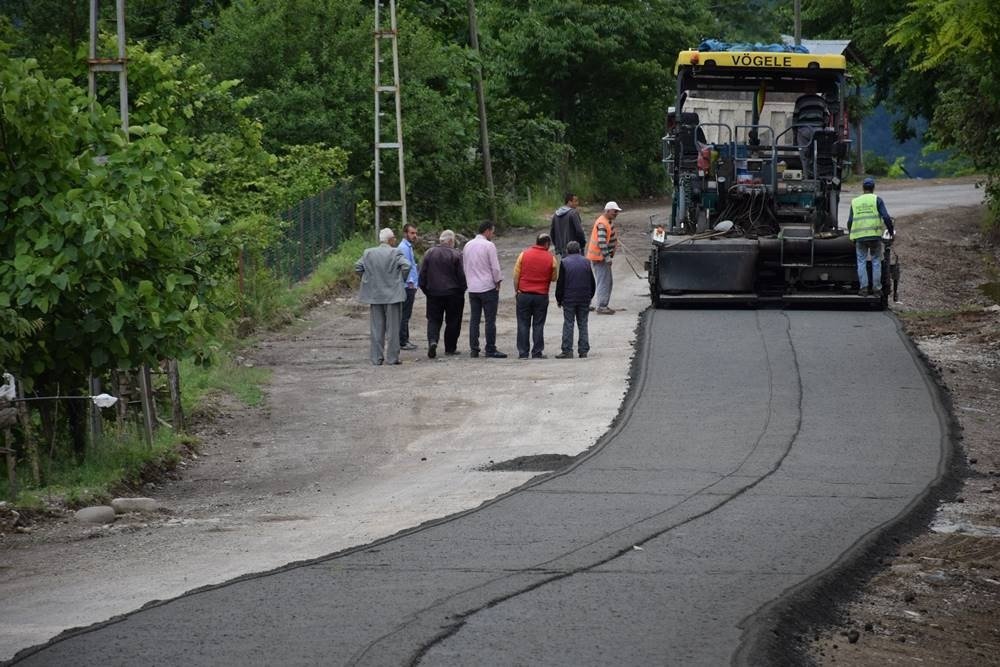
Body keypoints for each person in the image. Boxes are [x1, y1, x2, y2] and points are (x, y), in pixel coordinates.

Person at [354, 227, 410, 366]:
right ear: (390, 240)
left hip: (375, 295)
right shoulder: (395, 252)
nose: (395, 240)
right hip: (393, 296)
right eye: (394, 238)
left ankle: (376, 358)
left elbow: (358, 267)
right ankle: (392, 358)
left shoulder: (369, 253)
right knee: (393, 329)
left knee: (376, 328)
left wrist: (369, 280)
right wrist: (399, 280)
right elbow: (407, 266)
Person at [463, 220, 507, 358]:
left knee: (474, 319)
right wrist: (497, 281)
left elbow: (465, 265)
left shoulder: (467, 245)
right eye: (492, 232)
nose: (492, 234)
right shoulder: (489, 246)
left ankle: (474, 348)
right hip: (487, 287)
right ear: (487, 231)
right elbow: (495, 267)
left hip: (473, 288)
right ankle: (490, 348)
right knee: (490, 320)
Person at [419, 230, 466, 358]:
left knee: (433, 319)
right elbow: (462, 275)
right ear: (450, 241)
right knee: (453, 321)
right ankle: (450, 348)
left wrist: (426, 290)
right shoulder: (456, 254)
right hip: (453, 293)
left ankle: (433, 341)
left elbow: (422, 274)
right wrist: (462, 289)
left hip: (433, 293)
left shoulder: (429, 253)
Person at [847, 177, 895, 296]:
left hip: (860, 237)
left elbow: (850, 221)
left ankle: (863, 289)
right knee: (876, 261)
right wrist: (891, 232)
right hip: (874, 236)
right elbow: (886, 217)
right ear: (873, 188)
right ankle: (877, 289)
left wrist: (851, 234)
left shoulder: (855, 201)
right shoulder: (877, 200)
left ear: (863, 188)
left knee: (861, 261)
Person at [514, 232, 558, 359]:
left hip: (524, 294)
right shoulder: (551, 258)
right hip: (541, 296)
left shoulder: (523, 255)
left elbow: (516, 276)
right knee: (538, 324)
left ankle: (523, 352)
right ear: (547, 244)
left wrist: (517, 291)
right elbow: (554, 278)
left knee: (523, 323)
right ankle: (537, 352)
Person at [554, 241, 596, 359]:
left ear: (567, 251)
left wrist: (559, 299)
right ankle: (583, 351)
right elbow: (592, 282)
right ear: (579, 250)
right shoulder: (586, 262)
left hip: (569, 299)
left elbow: (560, 283)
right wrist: (590, 296)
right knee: (583, 324)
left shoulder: (564, 262)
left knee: (569, 323)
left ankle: (567, 350)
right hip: (584, 298)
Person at [586, 201, 621, 314]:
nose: (616, 213)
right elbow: (601, 242)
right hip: (600, 258)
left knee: (607, 281)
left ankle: (603, 304)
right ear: (608, 211)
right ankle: (601, 306)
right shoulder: (602, 223)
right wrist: (607, 258)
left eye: (617, 212)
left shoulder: (607, 221)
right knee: (604, 282)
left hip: (600, 258)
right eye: (615, 211)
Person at [397, 223, 419, 351]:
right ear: (405, 233)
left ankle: (405, 339)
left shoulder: (408, 246)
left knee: (406, 314)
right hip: (407, 285)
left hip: (410, 285)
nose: (415, 235)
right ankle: (403, 341)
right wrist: (410, 282)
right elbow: (406, 266)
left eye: (415, 233)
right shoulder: (404, 248)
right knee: (405, 314)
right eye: (412, 233)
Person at [549, 193, 586, 258]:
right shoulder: (573, 213)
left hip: (562, 250)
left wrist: (557, 246)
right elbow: (579, 231)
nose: (577, 203)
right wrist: (582, 244)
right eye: (576, 201)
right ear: (569, 202)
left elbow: (552, 233)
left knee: (565, 267)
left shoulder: (556, 215)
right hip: (574, 249)